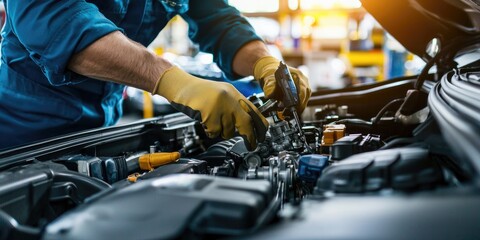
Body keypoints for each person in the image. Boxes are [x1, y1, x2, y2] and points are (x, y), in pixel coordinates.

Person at [0, 0, 311, 150]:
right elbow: (57, 21)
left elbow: (218, 19)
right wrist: (174, 82)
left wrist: (265, 64)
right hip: (21, 133)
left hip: (100, 132)